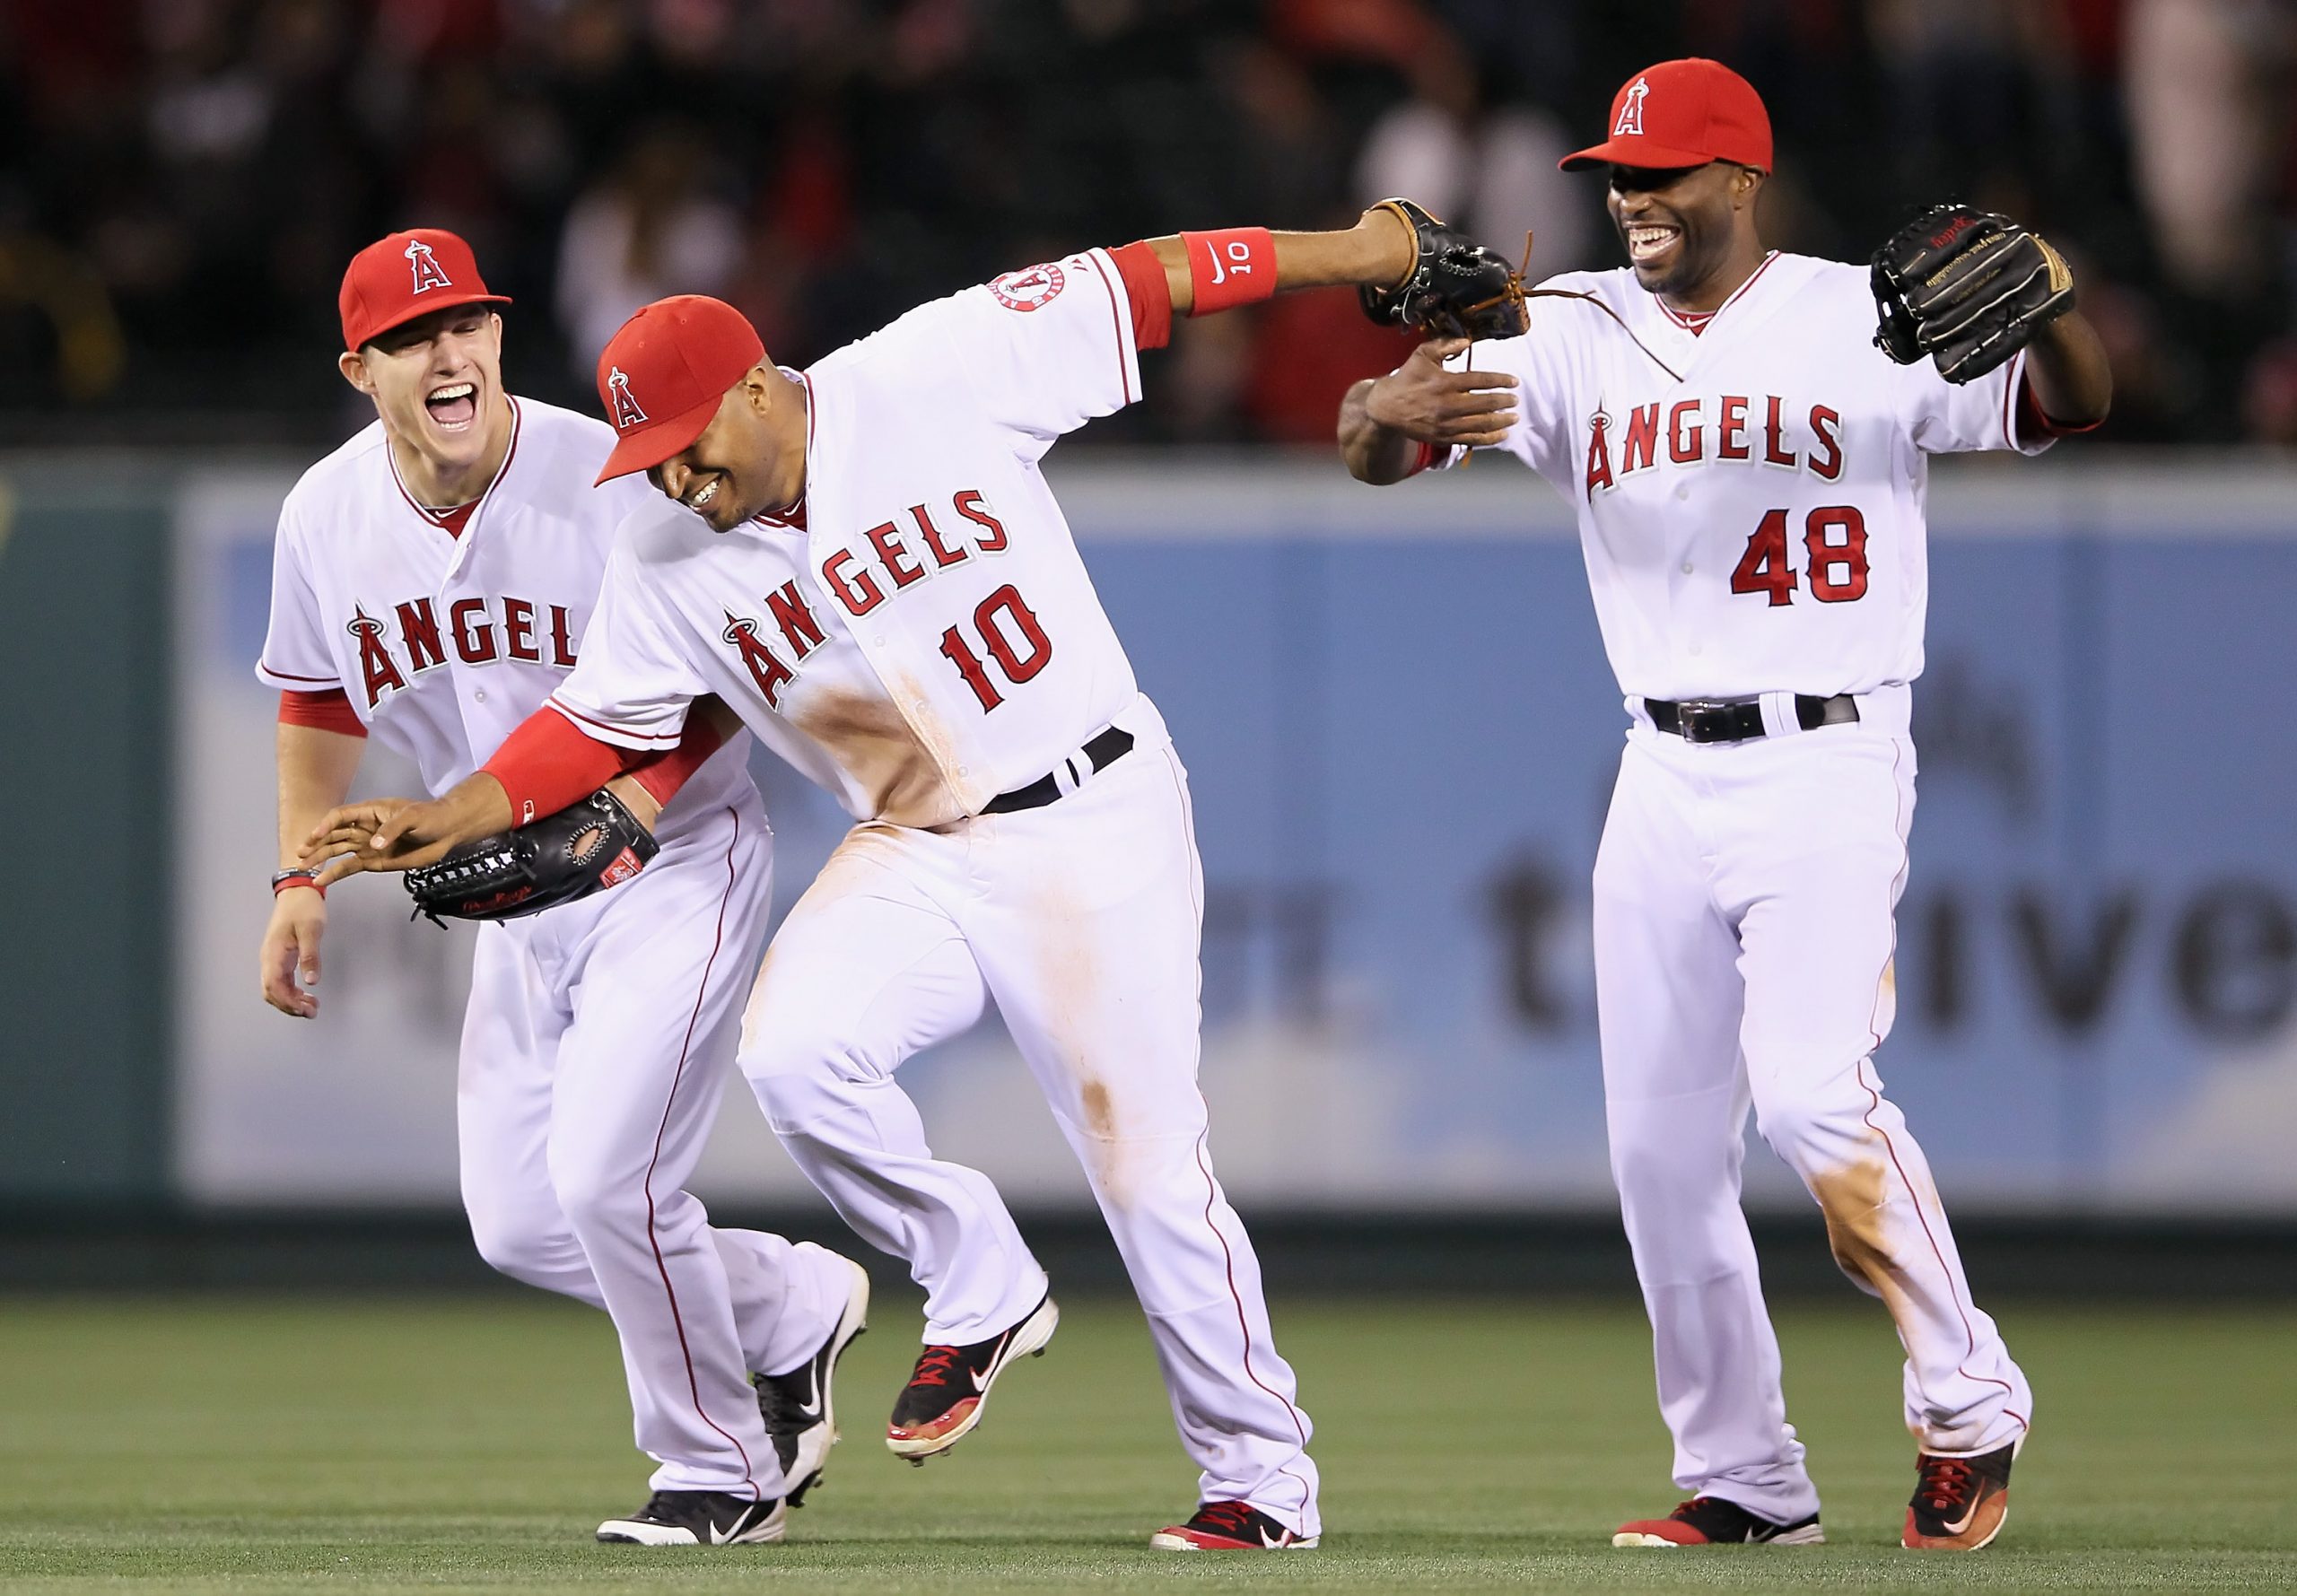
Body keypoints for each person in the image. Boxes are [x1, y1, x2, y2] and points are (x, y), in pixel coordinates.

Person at [306, 205, 1444, 1551]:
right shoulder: (666, 549)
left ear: (756, 386)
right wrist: (452, 809)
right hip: (913, 843)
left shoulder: (934, 369)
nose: (673, 482)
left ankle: (1262, 1482)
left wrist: (1374, 253)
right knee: (792, 1054)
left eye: (687, 447)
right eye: (649, 461)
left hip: (1091, 812)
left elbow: (1167, 276)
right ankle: (978, 1277)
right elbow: (595, 725)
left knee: (1144, 1166)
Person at [1339, 58, 2110, 1552]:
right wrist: (1385, 406)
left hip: (1828, 751)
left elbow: (2067, 407)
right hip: (1660, 768)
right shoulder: (1567, 329)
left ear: (1740, 183)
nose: (1637, 202)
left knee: (1818, 1096)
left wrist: (2056, 308)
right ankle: (1747, 1479)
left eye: (1667, 176)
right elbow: (1381, 452)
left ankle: (1969, 1403)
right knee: (1662, 1157)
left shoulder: (1861, 315)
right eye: (1619, 178)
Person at [257, 228, 869, 1548]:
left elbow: (727, 665)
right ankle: (788, 1308)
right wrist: (299, 878)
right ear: (363, 367)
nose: (451, 351)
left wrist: (640, 796)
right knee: (528, 1224)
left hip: (673, 862)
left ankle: (717, 1471)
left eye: (468, 323)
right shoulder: (323, 515)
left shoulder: (611, 474)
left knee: (607, 1185)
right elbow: (313, 696)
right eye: (417, 337)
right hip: (518, 903)